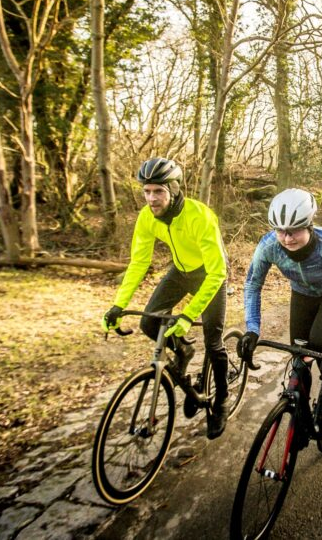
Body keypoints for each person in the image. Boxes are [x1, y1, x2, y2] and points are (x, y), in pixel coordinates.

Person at [102, 157, 231, 439]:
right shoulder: (147, 217)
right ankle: (183, 350)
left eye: (158, 191)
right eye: (146, 191)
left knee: (213, 341)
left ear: (173, 189)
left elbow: (218, 272)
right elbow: (138, 263)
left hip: (210, 275)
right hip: (180, 273)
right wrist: (118, 305)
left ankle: (221, 399)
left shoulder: (200, 216)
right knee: (149, 323)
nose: (151, 198)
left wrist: (187, 315)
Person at [238, 188, 322, 434]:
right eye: (280, 230)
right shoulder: (269, 245)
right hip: (302, 295)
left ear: (309, 225)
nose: (286, 238)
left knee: (319, 342)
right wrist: (252, 329)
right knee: (299, 357)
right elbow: (252, 286)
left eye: (294, 230)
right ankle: (301, 414)